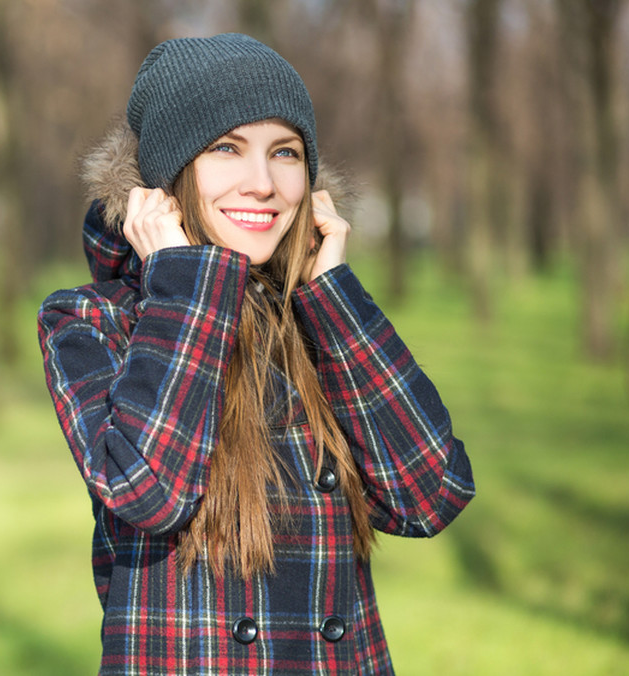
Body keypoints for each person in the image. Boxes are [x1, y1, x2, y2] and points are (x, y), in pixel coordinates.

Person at [37, 33, 475, 675]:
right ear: (164, 182)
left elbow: (430, 494)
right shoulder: (91, 322)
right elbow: (148, 489)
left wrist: (332, 295)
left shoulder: (317, 318)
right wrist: (185, 280)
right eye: (226, 149)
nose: (263, 183)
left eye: (286, 153)